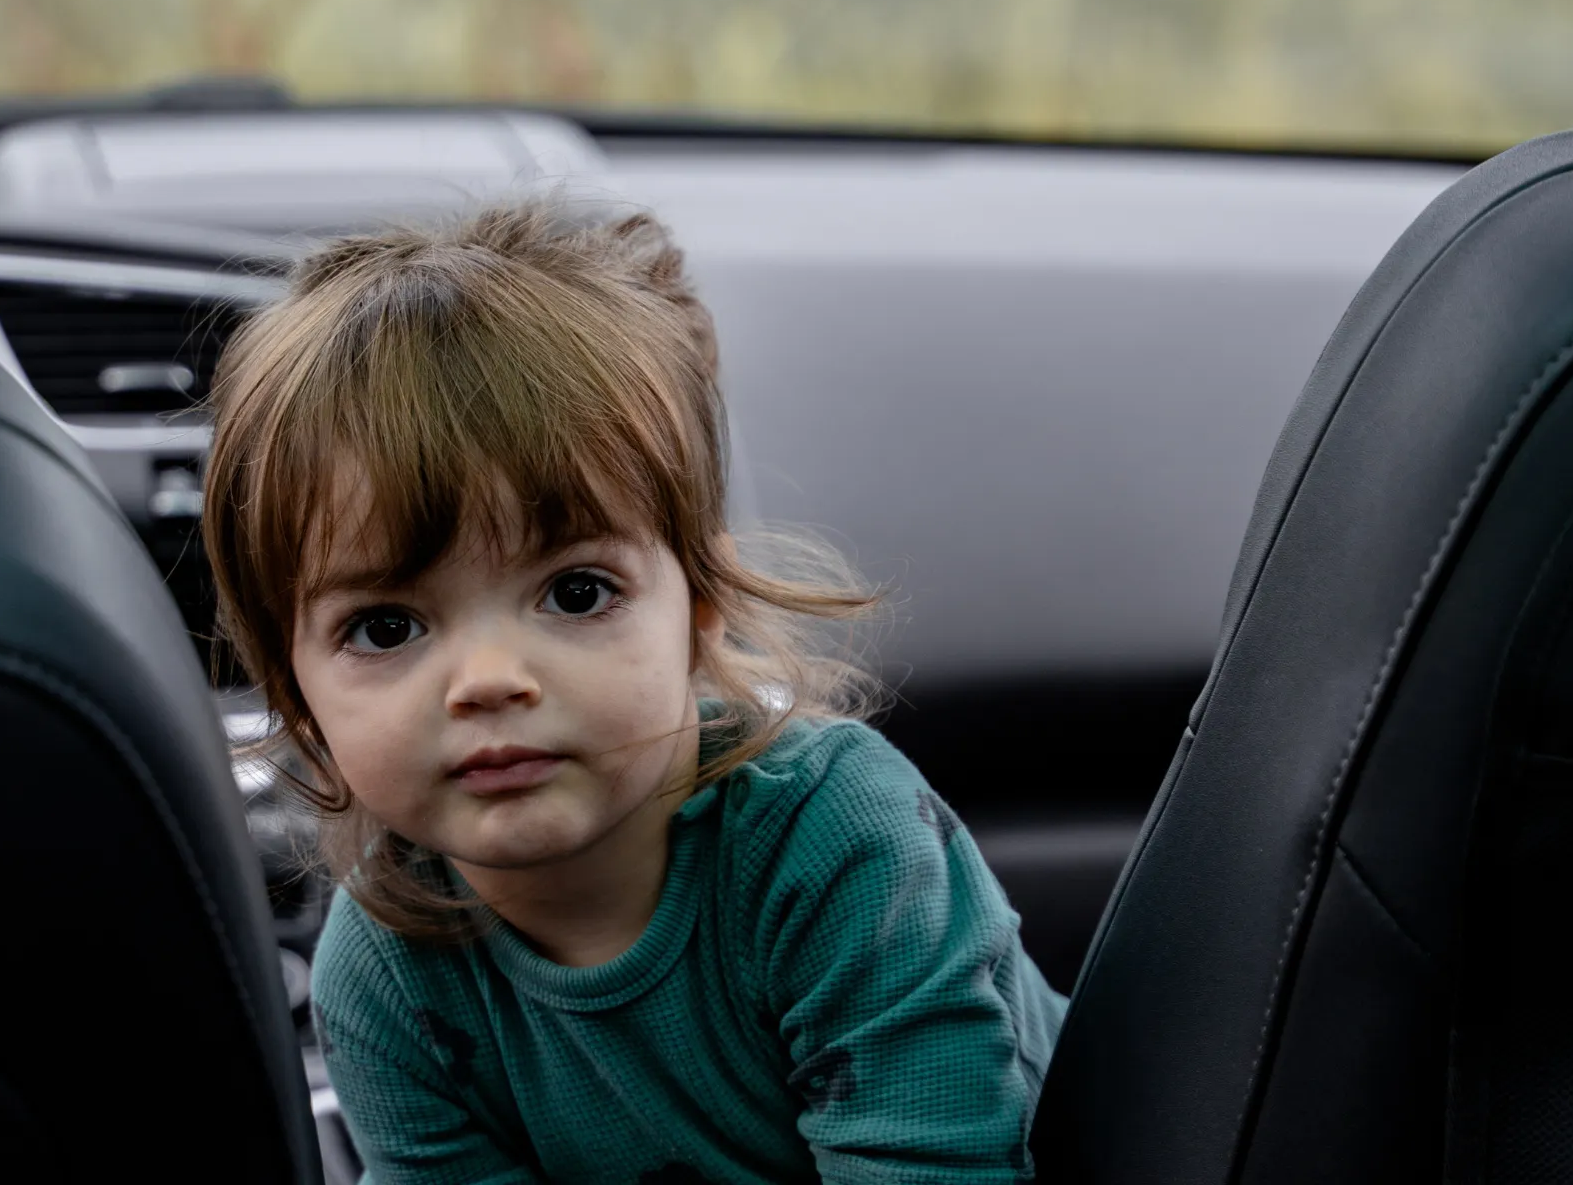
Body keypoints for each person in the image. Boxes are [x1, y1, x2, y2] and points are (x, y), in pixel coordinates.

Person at [200, 199, 1067, 1185]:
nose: (488, 679)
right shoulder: (387, 973)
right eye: (385, 626)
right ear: (294, 689)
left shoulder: (831, 841)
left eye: (575, 592)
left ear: (700, 608)